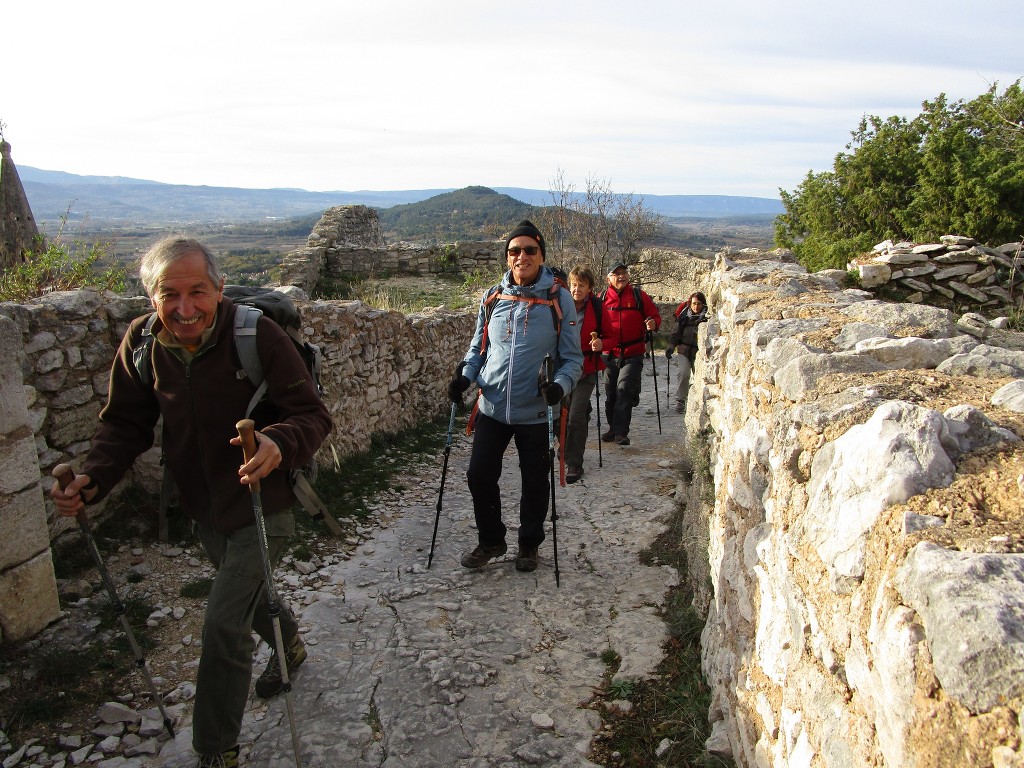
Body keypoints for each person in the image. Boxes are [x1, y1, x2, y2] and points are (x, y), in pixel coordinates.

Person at [50, 236, 333, 768]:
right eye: (169, 294)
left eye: (197, 292)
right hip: (203, 507)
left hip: (262, 502)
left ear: (219, 290)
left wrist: (277, 442)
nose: (185, 309)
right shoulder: (142, 343)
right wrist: (93, 479)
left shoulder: (256, 335)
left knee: (223, 626)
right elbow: (125, 424)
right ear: (151, 298)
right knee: (249, 598)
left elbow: (313, 416)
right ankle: (289, 643)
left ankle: (214, 750)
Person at [447, 220, 583, 572]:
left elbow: (572, 359)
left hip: (537, 411)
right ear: (507, 257)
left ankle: (529, 545)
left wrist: (560, 387)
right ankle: (491, 541)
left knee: (535, 482)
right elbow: (479, 348)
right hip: (491, 405)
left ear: (540, 255)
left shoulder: (558, 299)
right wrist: (465, 378)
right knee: (479, 476)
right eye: (513, 251)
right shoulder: (493, 297)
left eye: (529, 250)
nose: (521, 256)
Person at [600, 262, 661, 446]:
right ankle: (613, 427)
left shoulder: (638, 296)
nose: (621, 276)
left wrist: (653, 323)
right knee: (611, 393)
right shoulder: (601, 298)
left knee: (624, 389)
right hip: (609, 354)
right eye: (616, 273)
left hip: (633, 353)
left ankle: (621, 432)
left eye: (624, 273)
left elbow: (655, 316)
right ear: (608, 278)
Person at [563, 265, 613, 484]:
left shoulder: (597, 307)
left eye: (581, 285)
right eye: (574, 284)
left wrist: (602, 343)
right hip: (562, 368)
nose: (576, 289)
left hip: (586, 369)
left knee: (575, 417)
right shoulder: (560, 304)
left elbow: (611, 337)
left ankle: (574, 463)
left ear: (590, 288)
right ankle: (563, 449)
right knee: (559, 416)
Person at [665, 291, 709, 413]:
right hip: (684, 350)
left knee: (700, 377)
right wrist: (670, 346)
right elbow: (676, 333)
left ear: (703, 304)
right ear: (690, 304)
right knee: (683, 373)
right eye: (694, 304)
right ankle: (680, 400)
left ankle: (701, 401)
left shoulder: (708, 317)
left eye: (699, 304)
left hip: (700, 352)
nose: (696, 307)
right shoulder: (684, 317)